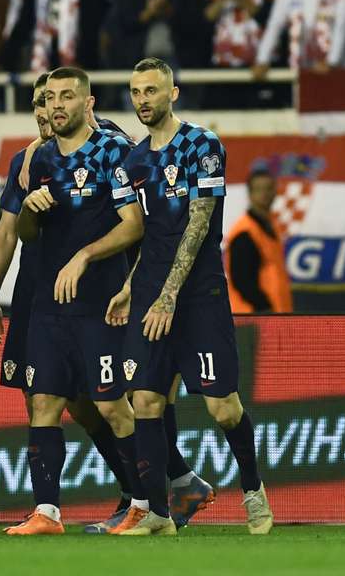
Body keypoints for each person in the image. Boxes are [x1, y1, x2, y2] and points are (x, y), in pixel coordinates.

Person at [108, 57, 273, 535]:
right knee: (146, 401)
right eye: (136, 91)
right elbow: (152, 234)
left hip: (196, 295)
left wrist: (169, 296)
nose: (143, 99)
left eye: (152, 90)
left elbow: (198, 223)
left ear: (172, 93)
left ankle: (253, 491)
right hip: (149, 294)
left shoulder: (203, 144)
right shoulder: (133, 160)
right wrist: (130, 284)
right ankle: (159, 515)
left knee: (223, 407)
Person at [0, 73, 144, 534]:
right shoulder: (36, 159)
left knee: (112, 406)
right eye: (49, 98)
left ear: (87, 102)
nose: (55, 105)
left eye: (66, 96)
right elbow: (24, 235)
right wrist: (32, 211)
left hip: (99, 303)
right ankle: (47, 512)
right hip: (49, 307)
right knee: (45, 404)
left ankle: (147, 503)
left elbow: (134, 224)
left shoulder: (114, 151)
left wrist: (86, 255)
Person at [225, 166, 293, 313]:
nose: (265, 194)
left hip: (275, 315)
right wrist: (265, 308)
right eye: (259, 189)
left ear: (275, 191)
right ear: (250, 194)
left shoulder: (272, 226)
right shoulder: (244, 232)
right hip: (253, 318)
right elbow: (242, 280)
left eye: (268, 188)